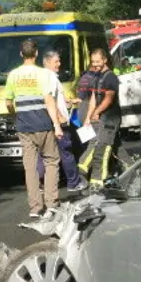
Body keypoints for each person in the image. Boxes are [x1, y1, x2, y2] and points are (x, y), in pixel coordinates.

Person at [3, 39, 63, 218]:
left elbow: (8, 102)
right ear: (36, 54)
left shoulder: (13, 75)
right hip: (43, 123)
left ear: (21, 54)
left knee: (30, 167)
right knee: (51, 161)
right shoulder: (43, 74)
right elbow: (49, 100)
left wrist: (15, 116)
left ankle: (35, 207)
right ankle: (52, 203)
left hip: (25, 126)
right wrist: (57, 125)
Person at [35, 49, 85, 191]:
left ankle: (41, 183)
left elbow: (57, 100)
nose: (59, 64)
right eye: (56, 61)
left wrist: (69, 102)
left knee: (45, 154)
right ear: (48, 62)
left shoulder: (46, 76)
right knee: (66, 152)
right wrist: (60, 118)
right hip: (58, 122)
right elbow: (49, 100)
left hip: (49, 121)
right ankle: (73, 183)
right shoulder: (50, 77)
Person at [77, 48, 121, 189]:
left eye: (98, 61)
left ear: (105, 60)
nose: (95, 64)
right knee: (114, 149)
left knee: (103, 148)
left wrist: (97, 112)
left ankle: (97, 182)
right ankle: (131, 171)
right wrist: (88, 118)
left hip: (110, 119)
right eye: (93, 62)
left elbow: (108, 99)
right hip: (101, 117)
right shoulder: (96, 77)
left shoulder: (110, 77)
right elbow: (93, 100)